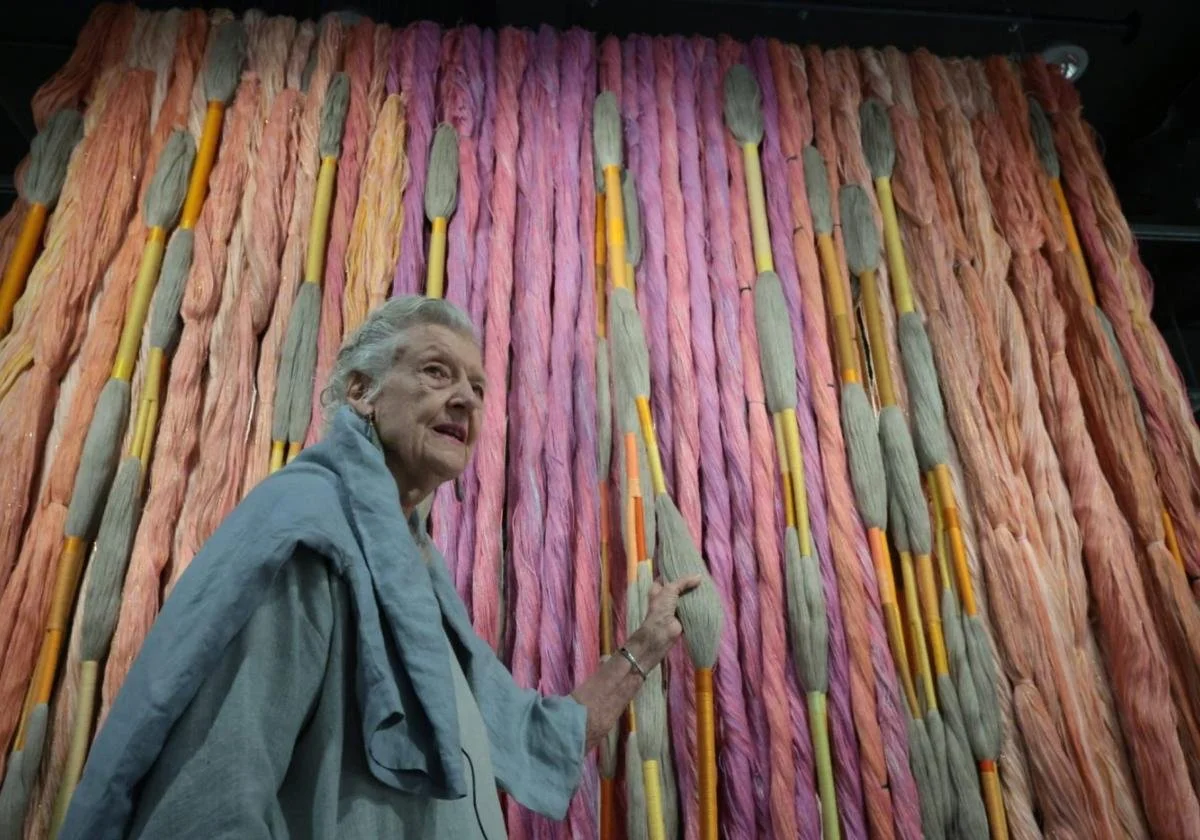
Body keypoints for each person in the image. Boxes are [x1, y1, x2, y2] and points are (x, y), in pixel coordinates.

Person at [61, 296, 699, 839]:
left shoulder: (411, 579)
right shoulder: (309, 535)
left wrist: (646, 643)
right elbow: (216, 794)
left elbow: (535, 733)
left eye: (477, 389)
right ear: (361, 391)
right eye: (435, 372)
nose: (464, 401)